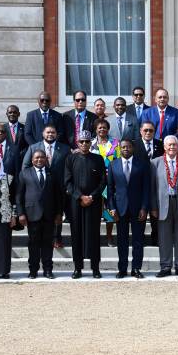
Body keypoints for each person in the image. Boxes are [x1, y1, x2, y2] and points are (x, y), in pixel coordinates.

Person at [151, 135, 178, 277]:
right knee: (164, 236)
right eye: (169, 145)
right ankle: (165, 266)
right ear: (164, 147)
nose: (172, 147)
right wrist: (153, 207)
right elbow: (152, 188)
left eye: (174, 145)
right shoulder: (155, 163)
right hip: (163, 204)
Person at [65, 130, 107, 279]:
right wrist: (80, 196)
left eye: (87, 141)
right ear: (78, 143)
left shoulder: (98, 159)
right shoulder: (70, 159)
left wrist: (92, 196)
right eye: (81, 141)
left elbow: (103, 181)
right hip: (76, 203)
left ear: (91, 143)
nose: (84, 144)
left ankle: (95, 268)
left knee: (94, 235)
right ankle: (78, 268)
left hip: (93, 203)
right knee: (76, 235)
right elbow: (68, 182)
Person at [107, 139, 151, 279]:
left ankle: (136, 268)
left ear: (133, 148)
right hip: (120, 209)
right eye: (123, 147)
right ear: (119, 148)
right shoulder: (113, 165)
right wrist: (111, 208)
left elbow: (146, 188)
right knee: (122, 240)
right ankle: (122, 268)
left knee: (138, 240)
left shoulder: (142, 164)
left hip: (138, 209)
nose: (126, 149)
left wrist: (144, 207)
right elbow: (109, 189)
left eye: (129, 147)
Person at [22, 124, 71, 249]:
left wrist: (66, 183)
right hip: (39, 186)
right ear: (43, 134)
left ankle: (57, 237)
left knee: (57, 211)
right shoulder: (33, 148)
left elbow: (68, 168)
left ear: (56, 134)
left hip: (59, 186)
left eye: (53, 132)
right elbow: (25, 167)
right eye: (48, 132)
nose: (50, 134)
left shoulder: (65, 149)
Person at [16, 150, 63, 279]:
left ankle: (48, 270)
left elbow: (58, 195)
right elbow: (19, 195)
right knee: (33, 244)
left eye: (42, 157)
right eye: (36, 157)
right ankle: (33, 270)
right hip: (32, 214)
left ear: (46, 159)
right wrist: (21, 214)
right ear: (32, 160)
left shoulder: (52, 173)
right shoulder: (25, 173)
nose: (39, 160)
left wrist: (59, 213)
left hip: (49, 214)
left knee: (48, 243)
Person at [92, 119, 120, 247]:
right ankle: (95, 237)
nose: (102, 129)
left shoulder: (115, 143)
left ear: (108, 129)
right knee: (96, 210)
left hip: (110, 181)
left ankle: (109, 237)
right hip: (94, 181)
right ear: (96, 129)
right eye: (99, 128)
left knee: (109, 210)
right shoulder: (91, 144)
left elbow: (119, 160)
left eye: (104, 127)